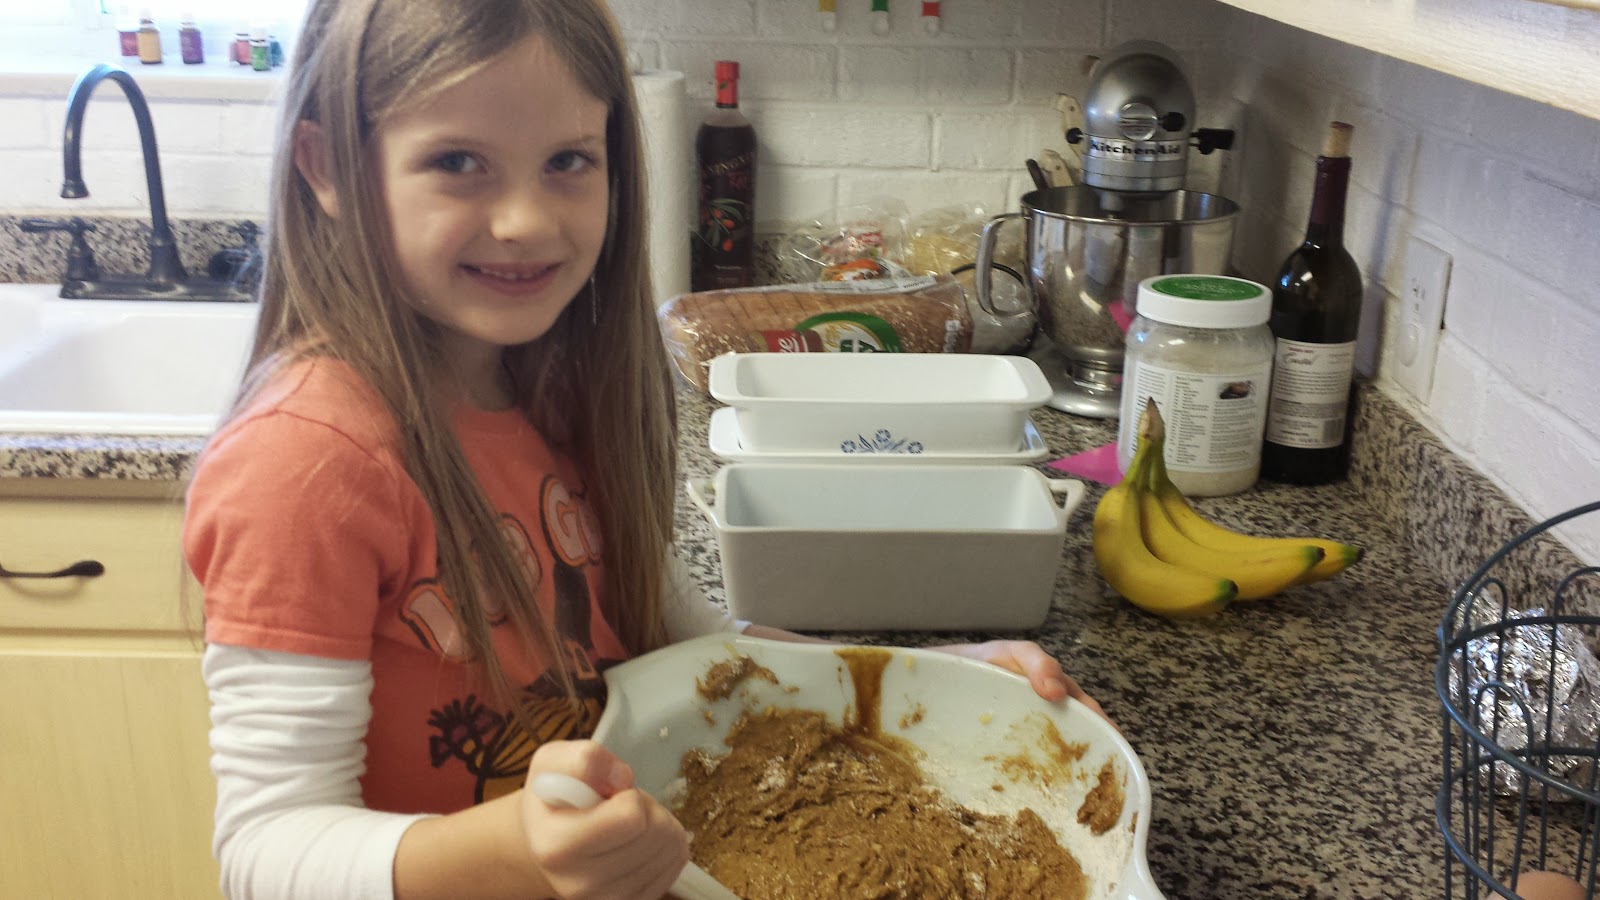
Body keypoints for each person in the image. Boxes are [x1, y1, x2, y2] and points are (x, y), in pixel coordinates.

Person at [182, 1, 1109, 898]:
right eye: (457, 161)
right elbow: (265, 852)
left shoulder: (555, 391)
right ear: (328, 167)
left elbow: (693, 645)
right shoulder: (306, 466)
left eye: (568, 161)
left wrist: (934, 676)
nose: (526, 220)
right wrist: (521, 852)